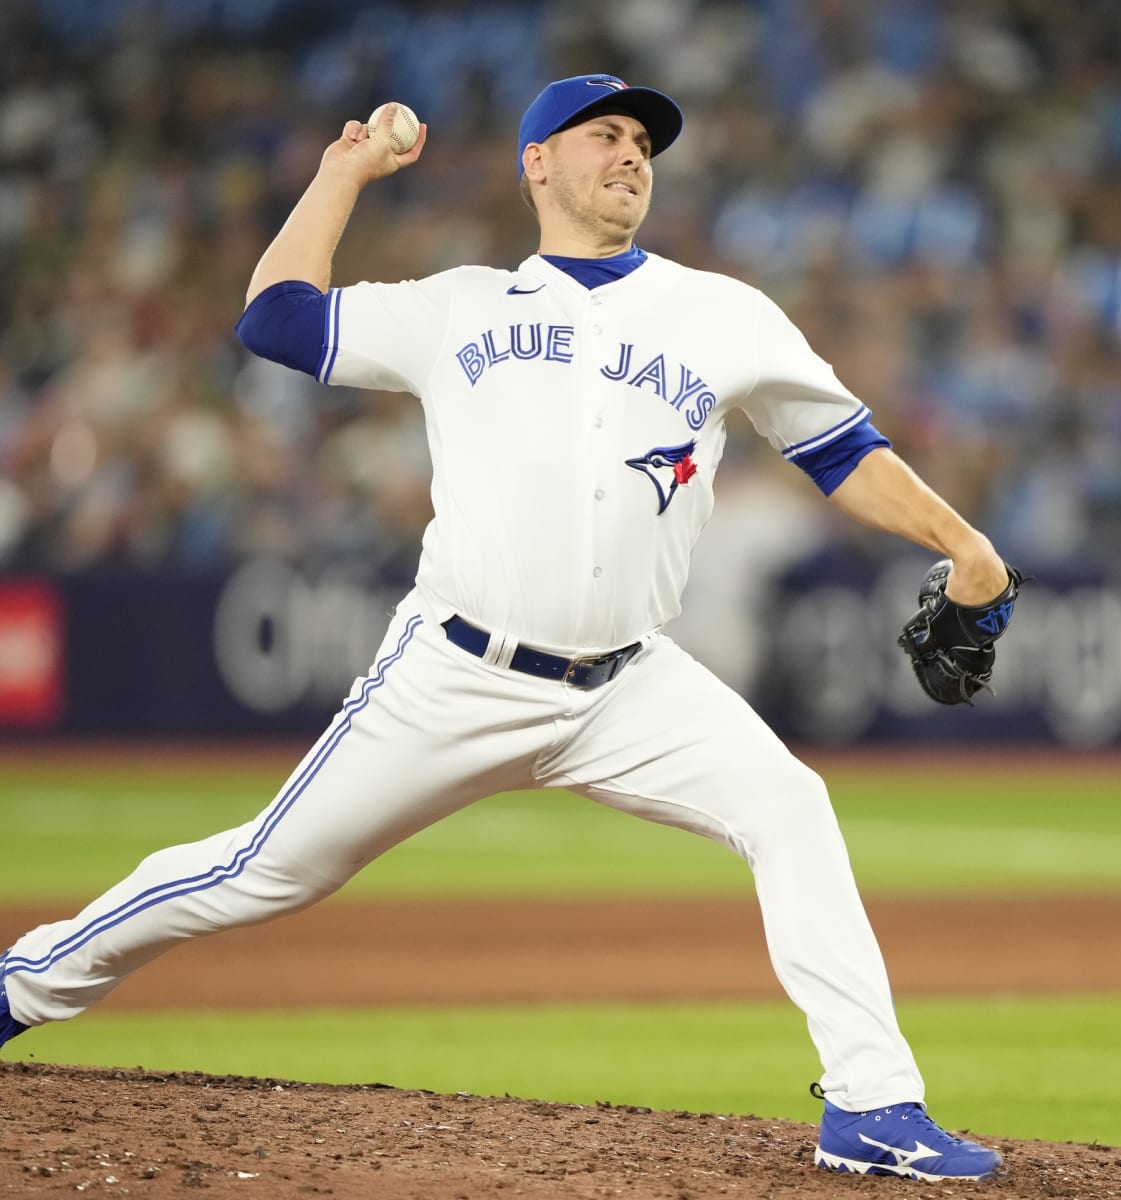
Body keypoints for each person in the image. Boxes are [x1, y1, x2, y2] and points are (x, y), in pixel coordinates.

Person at [1, 75, 1014, 1181]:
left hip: (631, 685)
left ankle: (872, 1105)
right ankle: (20, 986)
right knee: (262, 869)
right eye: (604, 136)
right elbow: (274, 318)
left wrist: (966, 547)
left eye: (643, 142)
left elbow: (841, 453)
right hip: (455, 670)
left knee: (793, 807)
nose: (632, 155)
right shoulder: (461, 306)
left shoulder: (723, 313)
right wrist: (343, 172)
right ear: (537, 163)